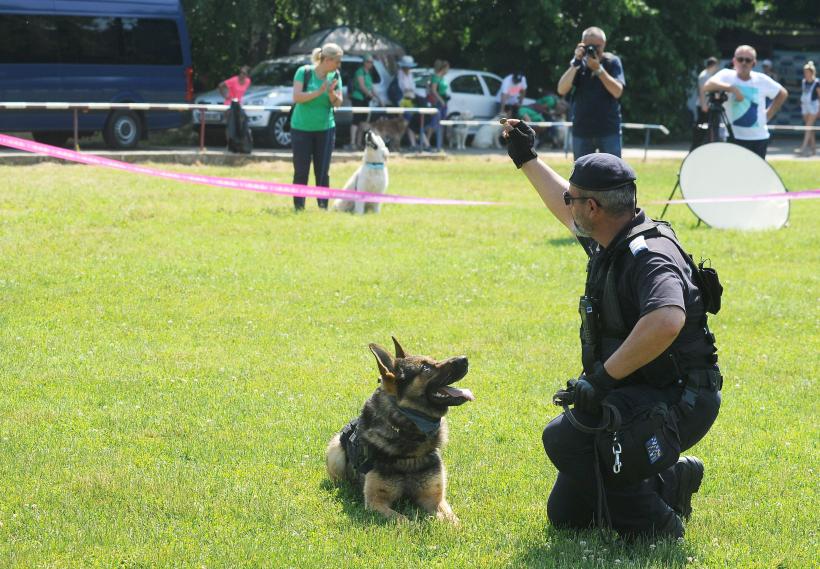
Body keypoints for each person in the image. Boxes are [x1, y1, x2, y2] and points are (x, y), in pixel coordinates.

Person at [502, 119, 723, 540]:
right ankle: (670, 480)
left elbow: (667, 319)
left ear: (593, 208)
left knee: (565, 441)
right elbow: (559, 203)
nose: (566, 204)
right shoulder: (611, 235)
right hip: (638, 392)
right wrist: (526, 158)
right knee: (567, 515)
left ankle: (656, 527)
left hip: (681, 398)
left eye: (573, 199)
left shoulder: (649, 256)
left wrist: (601, 379)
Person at [703, 45, 788, 159]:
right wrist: (732, 88)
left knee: (756, 176)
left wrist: (768, 114)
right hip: (733, 137)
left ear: (754, 63)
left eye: (748, 60)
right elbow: (707, 86)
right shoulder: (726, 75)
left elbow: (782, 93)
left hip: (758, 138)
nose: (743, 63)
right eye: (740, 59)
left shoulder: (761, 79)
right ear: (734, 61)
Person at [557, 26, 625, 159]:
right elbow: (561, 89)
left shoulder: (612, 62)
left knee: (614, 175)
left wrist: (598, 69)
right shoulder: (578, 65)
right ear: (582, 45)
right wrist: (576, 62)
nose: (593, 50)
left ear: (604, 44)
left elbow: (617, 92)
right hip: (582, 131)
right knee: (582, 177)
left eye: (597, 46)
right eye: (589, 46)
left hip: (608, 130)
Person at [290, 43, 344, 211]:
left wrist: (331, 94)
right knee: (301, 170)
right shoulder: (303, 72)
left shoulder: (335, 75)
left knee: (322, 171)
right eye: (337, 61)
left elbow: (338, 103)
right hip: (301, 128)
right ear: (327, 60)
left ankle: (323, 207)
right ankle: (299, 207)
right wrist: (318, 92)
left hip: (326, 129)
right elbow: (297, 97)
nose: (338, 65)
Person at [394, 55, 430, 149]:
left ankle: (416, 144)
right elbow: (404, 89)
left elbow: (412, 88)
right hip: (403, 101)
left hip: (411, 101)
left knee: (411, 122)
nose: (408, 68)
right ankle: (399, 144)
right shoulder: (400, 74)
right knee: (405, 123)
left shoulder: (409, 74)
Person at [348, 55, 382, 150]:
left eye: (371, 62)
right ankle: (352, 142)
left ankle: (359, 143)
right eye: (369, 62)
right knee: (356, 120)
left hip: (365, 100)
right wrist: (371, 96)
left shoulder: (368, 73)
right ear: (364, 62)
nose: (370, 64)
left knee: (362, 122)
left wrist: (379, 98)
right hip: (358, 98)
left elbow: (371, 87)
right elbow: (362, 86)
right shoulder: (360, 72)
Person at [426, 59, 451, 149]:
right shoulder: (435, 77)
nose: (448, 71)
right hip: (437, 102)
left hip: (444, 102)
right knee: (434, 122)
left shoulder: (442, 78)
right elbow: (433, 91)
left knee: (442, 122)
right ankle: (427, 141)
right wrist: (441, 100)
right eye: (447, 69)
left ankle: (440, 142)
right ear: (443, 68)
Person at [796, 61, 819, 157]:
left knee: (808, 127)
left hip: (814, 106)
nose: (805, 74)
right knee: (809, 128)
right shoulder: (803, 82)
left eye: (807, 72)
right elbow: (803, 93)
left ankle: (803, 147)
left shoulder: (817, 82)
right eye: (804, 72)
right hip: (805, 106)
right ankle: (814, 148)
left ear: (812, 72)